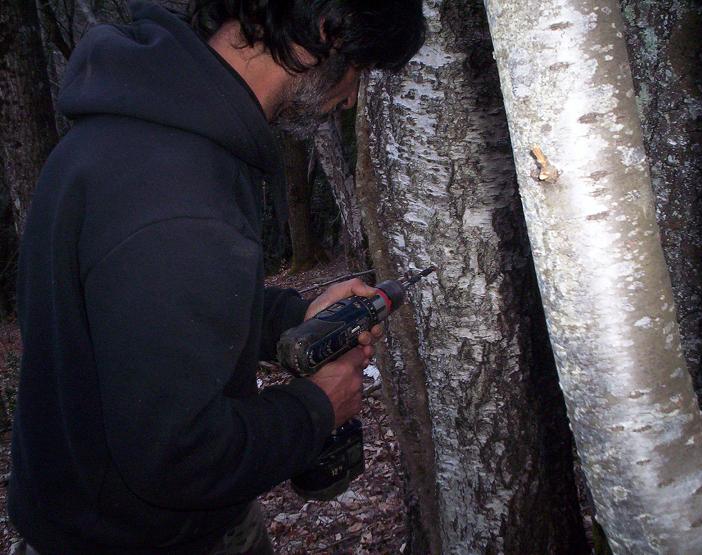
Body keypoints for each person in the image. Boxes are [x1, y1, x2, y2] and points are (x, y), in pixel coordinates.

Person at [7, 0, 426, 553]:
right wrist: (317, 407)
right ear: (329, 30)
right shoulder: (180, 196)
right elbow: (177, 458)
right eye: (359, 70)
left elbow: (144, 324)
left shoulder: (129, 134)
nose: (350, 97)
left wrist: (295, 318)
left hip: (83, 514)